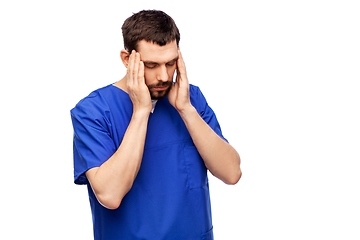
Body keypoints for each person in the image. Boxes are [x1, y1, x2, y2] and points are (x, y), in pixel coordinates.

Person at [71, 10, 242, 240]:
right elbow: (109, 195)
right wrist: (141, 111)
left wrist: (186, 110)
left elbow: (232, 173)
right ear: (126, 59)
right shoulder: (93, 111)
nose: (164, 76)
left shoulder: (192, 100)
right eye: (151, 65)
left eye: (170, 63)